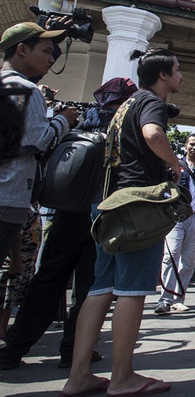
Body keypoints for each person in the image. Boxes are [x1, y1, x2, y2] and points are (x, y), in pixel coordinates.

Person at [60, 48, 182, 397]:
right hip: (136, 206)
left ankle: (78, 375)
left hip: (108, 205)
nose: (180, 75)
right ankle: (122, 377)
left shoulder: (124, 105)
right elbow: (153, 135)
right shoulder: (151, 102)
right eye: (177, 69)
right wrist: (176, 165)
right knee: (132, 290)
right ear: (162, 75)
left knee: (101, 288)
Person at [0, 77, 136, 370]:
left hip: (68, 212)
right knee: (89, 287)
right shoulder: (126, 124)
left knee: (48, 278)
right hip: (103, 215)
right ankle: (74, 352)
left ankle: (14, 348)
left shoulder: (82, 120)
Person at [0, 22, 78, 284]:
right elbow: (39, 141)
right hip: (8, 197)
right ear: (22, 50)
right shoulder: (27, 90)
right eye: (45, 51)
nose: (50, 59)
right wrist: (63, 120)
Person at [154, 133, 195, 314]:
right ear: (185, 145)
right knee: (171, 255)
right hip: (176, 217)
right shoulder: (176, 165)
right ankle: (165, 299)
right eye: (191, 144)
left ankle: (179, 298)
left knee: (188, 259)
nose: (194, 147)